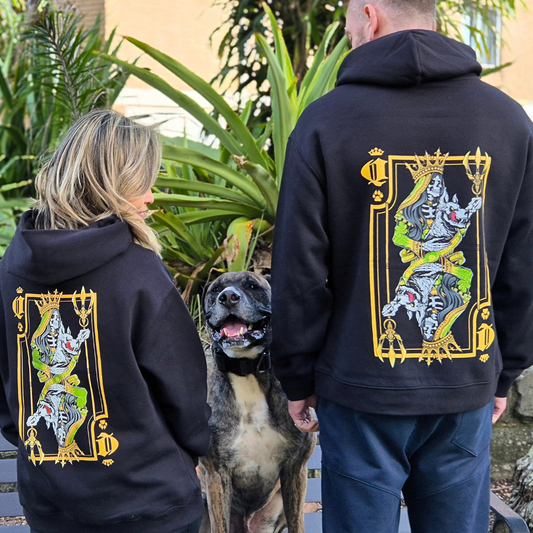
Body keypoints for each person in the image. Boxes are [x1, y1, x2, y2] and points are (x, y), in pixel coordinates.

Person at [270, 1, 533, 532]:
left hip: (360, 388)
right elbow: (523, 265)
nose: (348, 33)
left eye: (347, 22)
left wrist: (297, 376)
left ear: (370, 16)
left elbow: (300, 271)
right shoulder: (508, 120)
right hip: (464, 382)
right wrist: (503, 370)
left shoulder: (324, 122)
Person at [0, 109, 211, 533]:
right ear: (112, 184)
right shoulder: (139, 271)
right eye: (142, 183)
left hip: (50, 502)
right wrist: (193, 451)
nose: (151, 196)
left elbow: (8, 381)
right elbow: (182, 388)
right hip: (148, 503)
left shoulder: (11, 268)